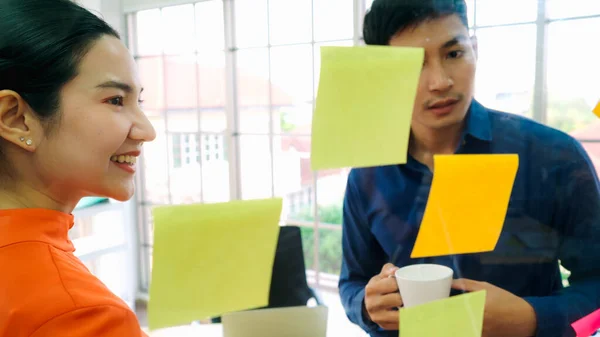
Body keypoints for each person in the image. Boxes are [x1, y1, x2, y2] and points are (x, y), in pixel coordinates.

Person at [338, 0, 600, 336]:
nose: (440, 81)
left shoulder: (553, 156)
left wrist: (534, 318)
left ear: (474, 48)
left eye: (453, 53)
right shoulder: (368, 175)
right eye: (412, 64)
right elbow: (353, 282)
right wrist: (365, 304)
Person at [0, 0, 155, 336]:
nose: (147, 131)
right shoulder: (78, 314)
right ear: (16, 119)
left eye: (138, 102)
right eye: (115, 100)